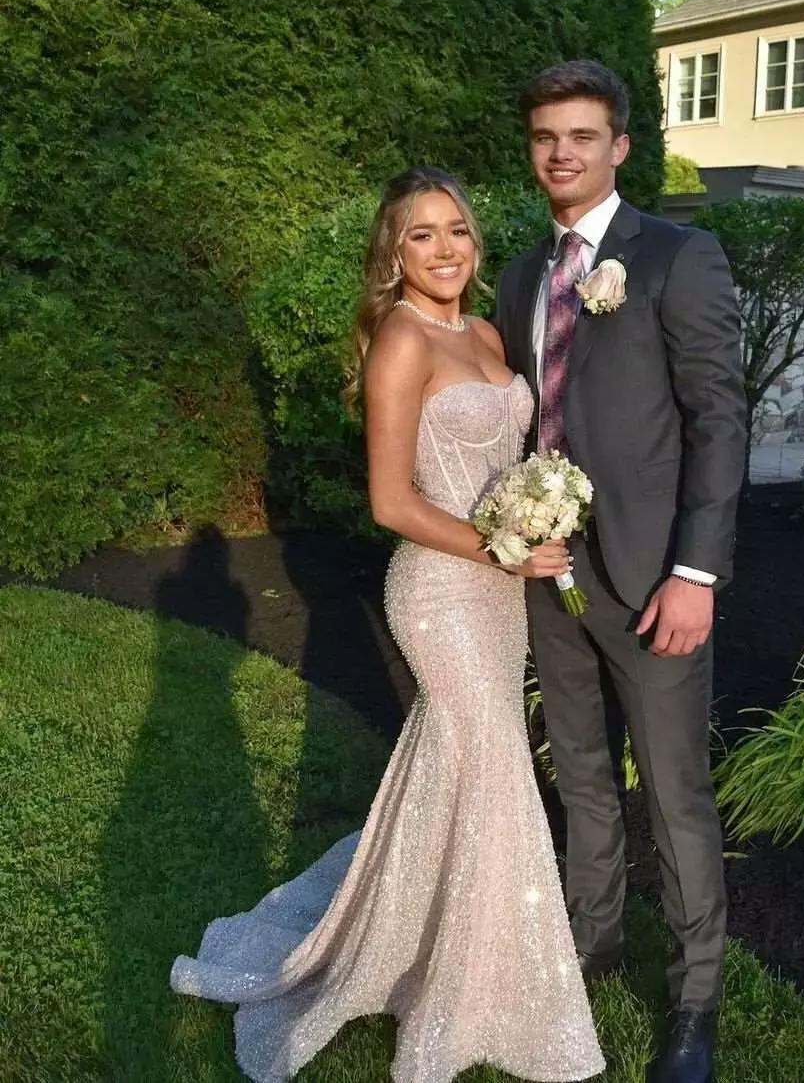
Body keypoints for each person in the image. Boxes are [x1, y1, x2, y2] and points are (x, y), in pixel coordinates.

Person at [170, 167, 605, 1083]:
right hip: (442, 594)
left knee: (460, 770)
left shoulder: (485, 334)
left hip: (498, 594)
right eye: (421, 234)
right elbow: (391, 501)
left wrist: (539, 516)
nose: (445, 249)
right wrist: (504, 548)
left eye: (457, 230)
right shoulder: (402, 342)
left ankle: (441, 946)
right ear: (393, 253)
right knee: (493, 768)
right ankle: (473, 990)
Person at [494, 62, 746, 1083]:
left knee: (676, 796)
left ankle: (694, 1000)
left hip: (652, 583)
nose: (562, 152)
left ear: (620, 148)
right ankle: (590, 945)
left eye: (582, 135)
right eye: (545, 136)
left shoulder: (677, 257)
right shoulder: (521, 276)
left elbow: (719, 420)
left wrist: (696, 573)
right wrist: (518, 530)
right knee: (583, 775)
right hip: (551, 573)